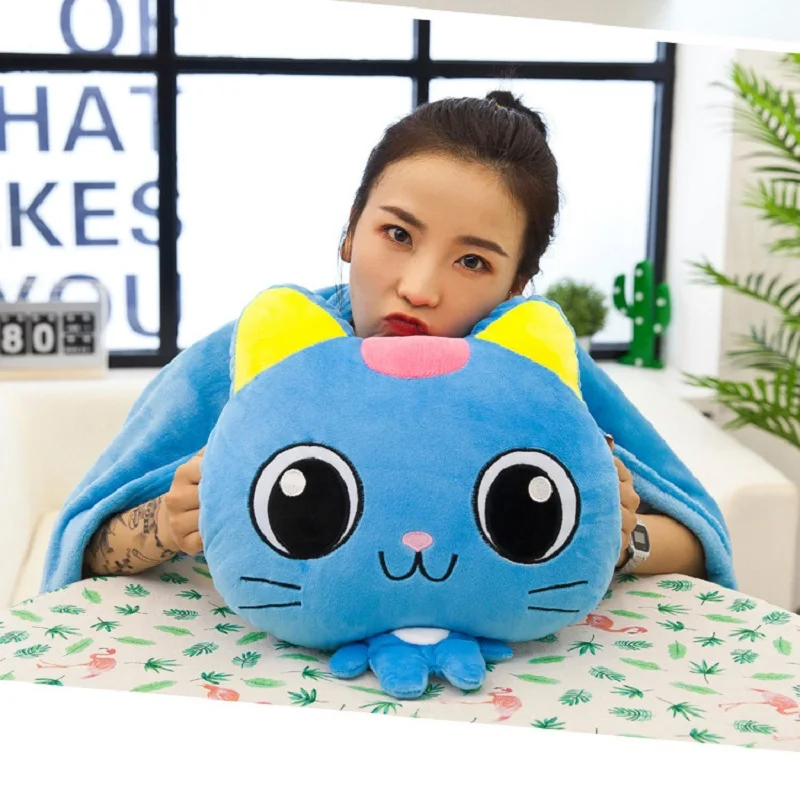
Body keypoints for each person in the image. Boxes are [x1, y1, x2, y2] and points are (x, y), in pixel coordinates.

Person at [63, 91, 718, 589]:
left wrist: (617, 534)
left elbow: (697, 540)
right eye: (397, 234)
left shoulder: (536, 369)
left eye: (473, 262)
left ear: (516, 286)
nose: (419, 287)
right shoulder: (263, 349)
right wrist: (166, 523)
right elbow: (86, 545)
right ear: (351, 230)